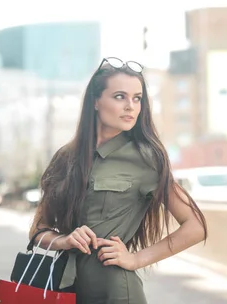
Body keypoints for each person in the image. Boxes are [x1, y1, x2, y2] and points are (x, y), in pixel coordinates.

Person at [29, 57, 208, 303]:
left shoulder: (147, 159)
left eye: (137, 98)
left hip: (115, 292)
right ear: (95, 102)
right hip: (62, 289)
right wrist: (64, 240)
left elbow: (195, 226)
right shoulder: (65, 157)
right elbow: (38, 230)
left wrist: (136, 259)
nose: (131, 107)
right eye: (120, 97)